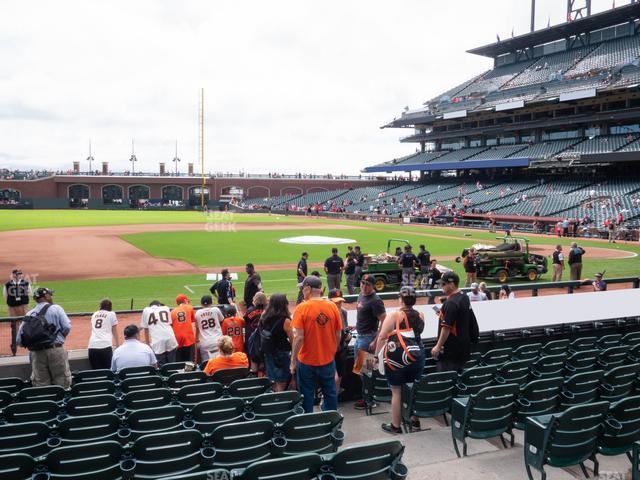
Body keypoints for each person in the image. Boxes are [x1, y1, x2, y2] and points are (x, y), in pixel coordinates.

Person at [374, 287, 425, 434]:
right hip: (417, 355)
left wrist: (376, 356)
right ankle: (415, 421)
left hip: (398, 357)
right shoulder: (421, 314)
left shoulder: (394, 315)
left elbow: (382, 337)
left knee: (396, 391)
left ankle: (396, 426)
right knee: (414, 388)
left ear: (401, 299)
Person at [290, 275, 342, 413]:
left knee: (306, 395)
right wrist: (332, 351)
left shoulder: (302, 308)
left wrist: (293, 361)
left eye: (303, 289)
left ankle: (309, 424)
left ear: (307, 289)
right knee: (330, 393)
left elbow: (299, 338)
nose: (302, 292)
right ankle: (331, 423)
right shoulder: (332, 306)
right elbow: (338, 335)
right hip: (327, 360)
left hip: (306, 361)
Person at [16, 287, 72, 388]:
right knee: (62, 384)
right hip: (56, 350)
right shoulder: (56, 308)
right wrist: (59, 338)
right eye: (50, 294)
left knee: (42, 387)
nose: (51, 296)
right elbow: (67, 327)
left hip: (37, 354)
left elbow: (19, 340)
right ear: (46, 296)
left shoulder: (29, 314)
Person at [354, 274, 386, 410]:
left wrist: (375, 340)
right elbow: (364, 316)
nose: (363, 286)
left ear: (373, 286)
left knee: (366, 371)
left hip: (368, 339)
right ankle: (365, 397)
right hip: (360, 336)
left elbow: (384, 321)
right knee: (359, 370)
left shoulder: (376, 301)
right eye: (362, 283)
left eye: (367, 284)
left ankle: (369, 400)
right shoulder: (361, 295)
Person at [431, 272, 472, 372]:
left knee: (447, 377)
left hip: (451, 349)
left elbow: (446, 328)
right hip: (463, 346)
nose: (441, 286)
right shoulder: (464, 297)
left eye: (443, 284)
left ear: (452, 284)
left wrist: (438, 346)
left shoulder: (451, 303)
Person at [259, 293, 293, 391]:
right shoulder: (286, 321)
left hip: (269, 352)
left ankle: (276, 398)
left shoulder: (264, 317)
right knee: (282, 381)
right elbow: (293, 341)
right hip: (282, 354)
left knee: (274, 379)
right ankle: (279, 401)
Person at [141, 300, 178, 367]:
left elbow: (146, 329)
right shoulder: (166, 308)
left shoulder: (146, 310)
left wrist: (147, 343)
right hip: (170, 337)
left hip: (157, 341)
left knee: (162, 366)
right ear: (159, 305)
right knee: (172, 363)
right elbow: (169, 324)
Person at [4, 268, 32, 356]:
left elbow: (29, 293)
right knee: (14, 325)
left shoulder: (26, 283)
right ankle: (15, 342)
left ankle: (26, 339)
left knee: (25, 323)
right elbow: (5, 296)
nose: (20, 275)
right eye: (18, 274)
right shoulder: (7, 284)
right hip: (12, 307)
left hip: (23, 306)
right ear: (13, 275)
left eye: (20, 274)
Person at [329, 289, 351, 394]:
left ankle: (335, 398)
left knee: (341, 374)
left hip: (342, 348)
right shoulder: (326, 315)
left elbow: (344, 329)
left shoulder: (343, 312)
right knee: (333, 377)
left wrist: (347, 335)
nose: (338, 304)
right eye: (336, 302)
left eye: (340, 302)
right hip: (330, 349)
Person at [88, 299, 120, 370]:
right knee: (108, 372)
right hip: (105, 346)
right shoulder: (111, 314)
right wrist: (117, 345)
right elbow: (114, 330)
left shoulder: (94, 314)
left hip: (92, 346)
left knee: (96, 372)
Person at [195, 295, 224, 361]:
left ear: (201, 304)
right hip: (218, 341)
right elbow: (222, 320)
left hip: (205, 343)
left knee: (207, 365)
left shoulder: (198, 313)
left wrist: (196, 341)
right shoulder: (216, 309)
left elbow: (197, 328)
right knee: (220, 363)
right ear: (211, 303)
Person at [244, 292, 267, 373]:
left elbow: (245, 322)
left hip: (252, 338)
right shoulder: (267, 310)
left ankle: (254, 378)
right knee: (263, 360)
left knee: (253, 359)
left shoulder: (249, 310)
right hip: (264, 337)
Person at [171, 294, 197, 362]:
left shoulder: (172, 312)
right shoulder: (189, 307)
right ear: (185, 301)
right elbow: (193, 322)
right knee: (190, 362)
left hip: (177, 339)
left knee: (179, 362)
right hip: (189, 338)